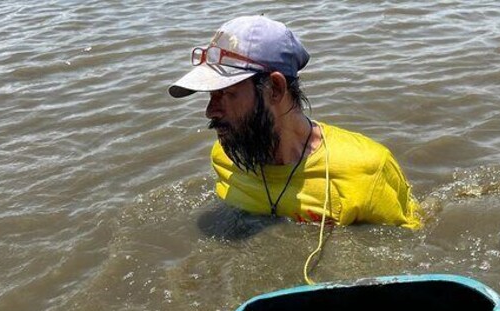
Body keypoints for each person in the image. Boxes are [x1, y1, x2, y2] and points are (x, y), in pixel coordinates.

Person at [169, 15, 421, 229]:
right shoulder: (225, 156)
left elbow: (408, 249)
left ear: (275, 88)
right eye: (211, 96)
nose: (210, 111)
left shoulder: (367, 171)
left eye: (226, 94)